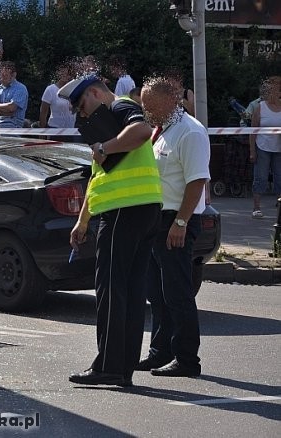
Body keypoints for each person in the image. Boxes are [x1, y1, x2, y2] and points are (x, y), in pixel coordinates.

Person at [62, 74, 162, 387]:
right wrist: (83, 219)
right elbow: (98, 177)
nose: (82, 113)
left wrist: (105, 145)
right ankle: (122, 368)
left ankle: (108, 365)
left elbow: (144, 130)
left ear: (95, 92)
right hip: (142, 209)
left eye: (82, 105)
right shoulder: (106, 123)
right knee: (130, 293)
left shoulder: (119, 108)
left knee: (109, 289)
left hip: (124, 211)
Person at [135, 76, 211, 378]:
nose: (145, 110)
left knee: (178, 293)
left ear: (170, 100)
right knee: (158, 292)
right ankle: (160, 352)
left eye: (150, 104)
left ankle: (187, 359)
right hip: (158, 219)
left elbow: (196, 181)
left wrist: (180, 222)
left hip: (177, 220)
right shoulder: (162, 128)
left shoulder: (190, 132)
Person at [249, 76, 281, 218]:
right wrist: (252, 151)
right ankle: (256, 208)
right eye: (272, 89)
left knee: (279, 177)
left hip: (279, 148)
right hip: (262, 147)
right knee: (260, 176)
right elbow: (252, 131)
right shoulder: (259, 108)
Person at [0, 61, 28, 128]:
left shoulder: (20, 88)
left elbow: (11, 108)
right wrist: (4, 113)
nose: (2, 77)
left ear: (14, 75)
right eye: (1, 74)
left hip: (12, 129)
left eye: (5, 75)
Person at [39, 63, 76, 135]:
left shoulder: (75, 90)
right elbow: (43, 113)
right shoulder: (50, 89)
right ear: (58, 73)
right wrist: (42, 133)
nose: (65, 74)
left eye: (67, 73)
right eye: (62, 72)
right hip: (54, 130)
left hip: (72, 131)